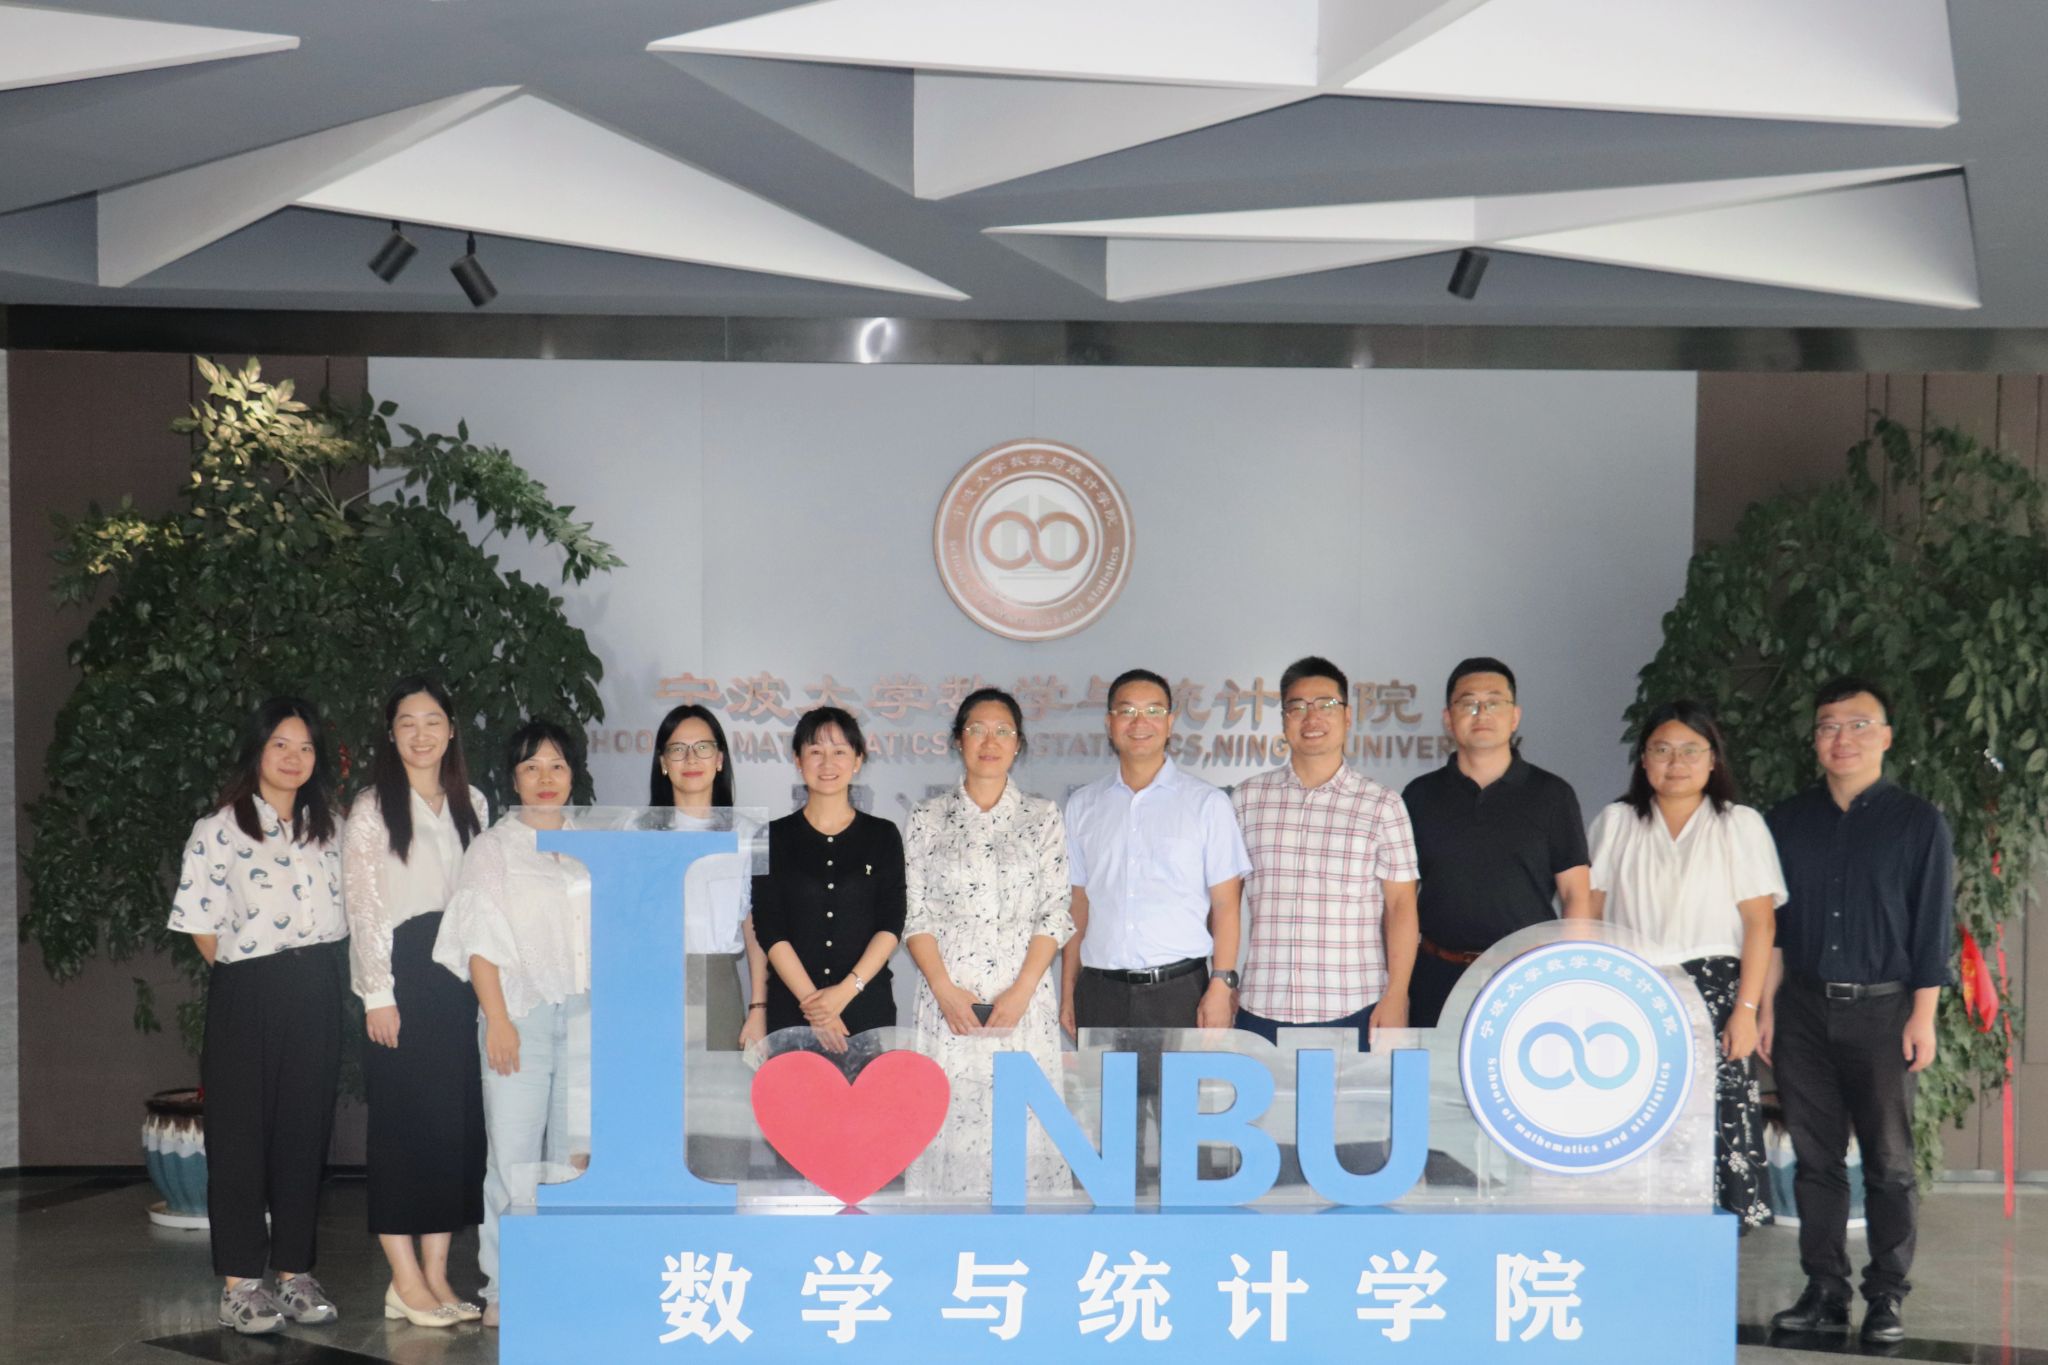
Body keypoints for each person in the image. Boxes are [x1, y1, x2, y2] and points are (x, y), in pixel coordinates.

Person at [1762, 678, 1952, 1346]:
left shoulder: (1918, 822)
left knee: (1889, 1161)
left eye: (1858, 724)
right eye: (1828, 726)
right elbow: (1774, 927)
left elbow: (1932, 927)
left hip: (1884, 1011)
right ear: (1815, 739)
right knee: (1815, 1159)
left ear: (1886, 736)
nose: (1841, 738)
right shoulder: (1786, 821)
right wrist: (1767, 1007)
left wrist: (1923, 1015)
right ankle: (1824, 1289)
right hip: (1802, 1009)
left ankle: (1887, 1295)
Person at [167, 697, 346, 1335]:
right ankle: (241, 1285)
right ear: (258, 751)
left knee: (304, 1133)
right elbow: (202, 925)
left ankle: (295, 1274)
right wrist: (253, 974)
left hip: (318, 985)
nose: (294, 758)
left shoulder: (332, 827)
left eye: (305, 747)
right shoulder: (218, 829)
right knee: (240, 1138)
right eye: (280, 745)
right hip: (248, 987)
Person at [1587, 699, 1782, 1228]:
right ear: (1643, 759)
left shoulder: (1739, 824)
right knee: (1636, 1113)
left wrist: (1746, 1010)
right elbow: (1589, 914)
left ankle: (1715, 1246)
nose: (1676, 763)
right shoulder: (1617, 822)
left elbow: (1761, 926)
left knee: (1718, 1119)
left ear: (1713, 759)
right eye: (1662, 750)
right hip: (1633, 994)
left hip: (1717, 994)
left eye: (1691, 750)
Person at [432, 720, 592, 1329]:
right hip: (518, 1015)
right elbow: (478, 940)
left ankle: (565, 1276)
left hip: (587, 1018)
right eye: (531, 767)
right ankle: (504, 1286)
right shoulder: (493, 848)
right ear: (514, 778)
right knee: (513, 1158)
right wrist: (496, 1019)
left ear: (573, 773)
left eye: (556, 765)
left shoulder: (593, 844)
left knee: (575, 1159)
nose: (545, 778)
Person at [342, 678, 488, 1328]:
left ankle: (436, 1273)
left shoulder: (472, 803)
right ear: (391, 733)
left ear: (451, 730)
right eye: (408, 722)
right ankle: (402, 1280)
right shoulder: (373, 808)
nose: (421, 734)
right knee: (402, 1130)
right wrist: (378, 993)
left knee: (452, 1131)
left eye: (433, 721)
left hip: (460, 979)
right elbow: (364, 907)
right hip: (401, 977)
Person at [903, 688, 1075, 1199]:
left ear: (1018, 744)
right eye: (977, 729)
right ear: (958, 740)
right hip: (948, 999)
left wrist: (1022, 991)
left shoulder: (1042, 817)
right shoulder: (928, 817)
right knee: (948, 1122)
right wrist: (944, 989)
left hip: (1023, 999)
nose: (990, 741)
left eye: (1003, 731)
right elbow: (914, 912)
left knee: (1023, 1127)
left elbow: (1055, 911)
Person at [1232, 656, 1418, 1051]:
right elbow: (1224, 901)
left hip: (1355, 1006)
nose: (1311, 717)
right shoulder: (1247, 799)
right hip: (1261, 1004)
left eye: (1326, 705)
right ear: (1284, 720)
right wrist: (1222, 980)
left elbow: (1402, 906)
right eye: (1297, 707)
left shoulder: (1382, 804)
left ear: (1348, 717)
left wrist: (1397, 994)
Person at [1401, 657, 1592, 1028]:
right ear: (1448, 718)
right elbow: (1402, 900)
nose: (1481, 713)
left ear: (1515, 716)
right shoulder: (1419, 796)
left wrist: (1570, 978)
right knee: (1433, 1068)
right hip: (1437, 975)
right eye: (1468, 703)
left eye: (1494, 702)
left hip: (1525, 978)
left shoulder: (1552, 795)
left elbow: (1576, 895)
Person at [1059, 668, 1250, 1036]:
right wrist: (1068, 991)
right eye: (1127, 711)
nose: (1139, 722)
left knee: (1180, 1081)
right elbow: (1077, 904)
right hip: (1100, 992)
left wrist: (1222, 983)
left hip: (1180, 993)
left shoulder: (1206, 803)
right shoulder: (1083, 805)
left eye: (1153, 711)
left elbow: (1226, 903)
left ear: (1170, 722)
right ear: (1110, 723)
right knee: (1097, 1079)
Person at [750, 707, 905, 1051]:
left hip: (866, 1009)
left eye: (839, 752)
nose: (827, 763)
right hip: (793, 1013)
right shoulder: (768, 837)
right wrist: (817, 1008)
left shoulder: (883, 835)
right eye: (815, 751)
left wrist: (846, 991)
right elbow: (769, 927)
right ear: (798, 760)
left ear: (858, 760)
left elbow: (891, 922)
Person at [645, 703, 767, 1050]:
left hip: (717, 982)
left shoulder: (750, 835)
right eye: (678, 749)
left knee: (718, 1084)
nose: (691, 759)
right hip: (650, 980)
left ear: (720, 759)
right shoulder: (636, 830)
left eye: (703, 747)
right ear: (663, 762)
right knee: (653, 1083)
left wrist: (759, 1007)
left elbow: (756, 928)